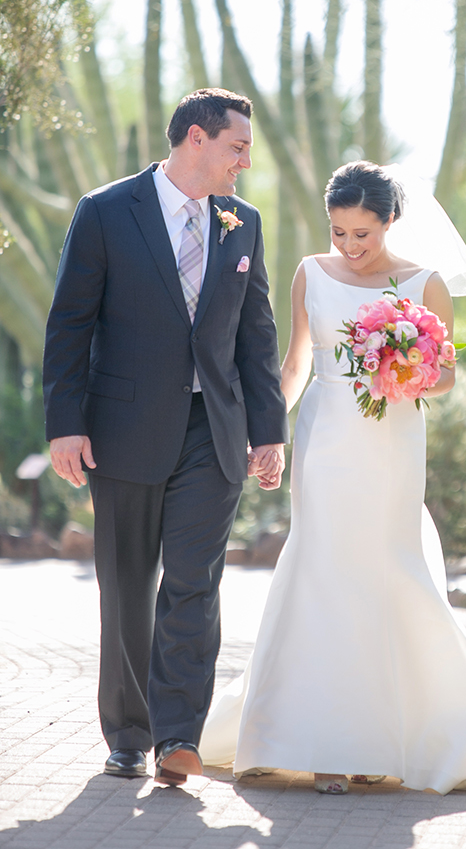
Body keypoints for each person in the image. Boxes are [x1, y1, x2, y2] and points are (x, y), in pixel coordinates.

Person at [199, 160, 466, 795]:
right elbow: (298, 360)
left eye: (363, 233)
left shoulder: (426, 283)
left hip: (391, 441)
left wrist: (409, 368)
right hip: (328, 435)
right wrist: (269, 433)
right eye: (339, 232)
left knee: (389, 569)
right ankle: (320, 743)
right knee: (324, 570)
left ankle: (383, 741)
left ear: (390, 221)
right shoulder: (311, 272)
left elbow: (443, 374)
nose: (350, 247)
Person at [43, 88, 289, 786]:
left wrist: (268, 431)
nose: (244, 162)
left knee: (194, 584)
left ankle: (178, 735)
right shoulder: (104, 212)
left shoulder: (243, 224)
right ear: (196, 140)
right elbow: (70, 325)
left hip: (212, 431)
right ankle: (128, 732)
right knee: (126, 586)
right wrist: (66, 422)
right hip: (120, 430)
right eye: (237, 147)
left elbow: (256, 334)